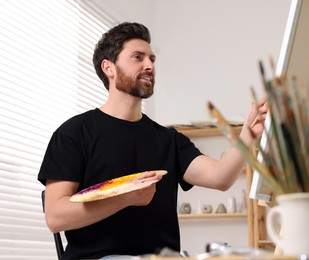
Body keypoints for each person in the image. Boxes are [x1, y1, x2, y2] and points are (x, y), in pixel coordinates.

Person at [38, 22, 267, 259]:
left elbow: (221, 177)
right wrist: (125, 198)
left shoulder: (169, 139)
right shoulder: (73, 134)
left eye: (152, 59)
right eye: (137, 57)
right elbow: (55, 217)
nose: (149, 66)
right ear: (109, 68)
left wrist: (248, 135)